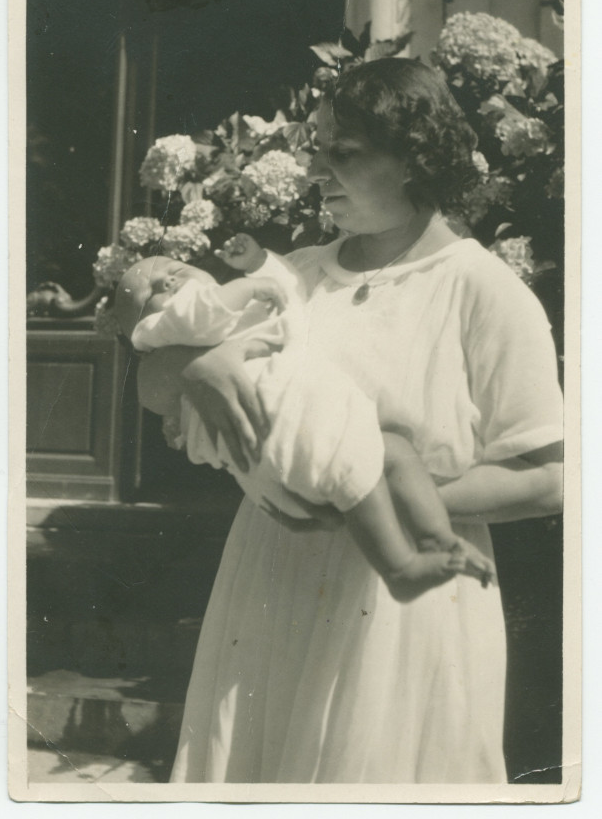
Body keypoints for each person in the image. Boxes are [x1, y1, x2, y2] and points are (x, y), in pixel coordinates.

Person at [138, 58, 563, 784]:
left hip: (402, 606)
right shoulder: (296, 274)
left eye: (345, 153)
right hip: (272, 579)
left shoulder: (482, 291)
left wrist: (373, 492)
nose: (316, 171)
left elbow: (550, 478)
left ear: (413, 158)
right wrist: (197, 372)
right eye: (316, 150)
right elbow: (153, 378)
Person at [115, 240, 495, 601]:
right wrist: (249, 285)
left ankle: (435, 539)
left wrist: (259, 263)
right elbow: (196, 321)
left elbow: (286, 292)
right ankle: (400, 567)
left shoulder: (226, 309)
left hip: (291, 454)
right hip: (287, 425)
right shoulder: (173, 322)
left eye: (174, 269)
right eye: (150, 292)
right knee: (364, 461)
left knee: (394, 450)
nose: (166, 280)